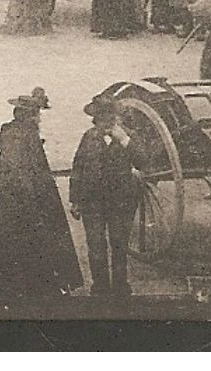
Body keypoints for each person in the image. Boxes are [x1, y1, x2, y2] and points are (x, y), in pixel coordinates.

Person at [0, 88, 82, 300]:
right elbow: (21, 174)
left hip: (17, 196)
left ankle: (25, 285)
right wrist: (34, 204)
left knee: (17, 240)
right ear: (30, 116)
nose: (39, 119)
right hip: (24, 200)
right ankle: (34, 287)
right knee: (31, 240)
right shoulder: (23, 137)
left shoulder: (14, 133)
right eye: (37, 115)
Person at [69, 94, 141, 298]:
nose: (106, 123)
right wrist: (75, 200)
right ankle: (100, 287)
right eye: (101, 118)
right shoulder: (89, 137)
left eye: (110, 118)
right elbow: (78, 168)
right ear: (96, 119)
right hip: (92, 203)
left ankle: (120, 286)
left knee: (119, 245)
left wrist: (125, 141)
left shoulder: (128, 136)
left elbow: (143, 161)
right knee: (96, 246)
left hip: (120, 203)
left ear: (116, 117)